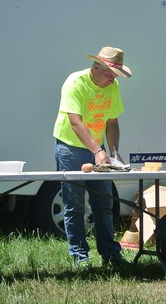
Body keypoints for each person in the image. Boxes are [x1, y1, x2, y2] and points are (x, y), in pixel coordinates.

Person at [53, 47, 131, 266]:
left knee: (104, 203)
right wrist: (98, 151)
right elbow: (75, 123)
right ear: (96, 67)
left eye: (115, 76)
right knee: (74, 205)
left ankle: (110, 255)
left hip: (98, 148)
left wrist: (113, 153)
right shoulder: (75, 82)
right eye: (109, 74)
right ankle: (80, 256)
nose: (112, 80)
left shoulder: (113, 86)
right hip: (70, 148)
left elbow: (112, 122)